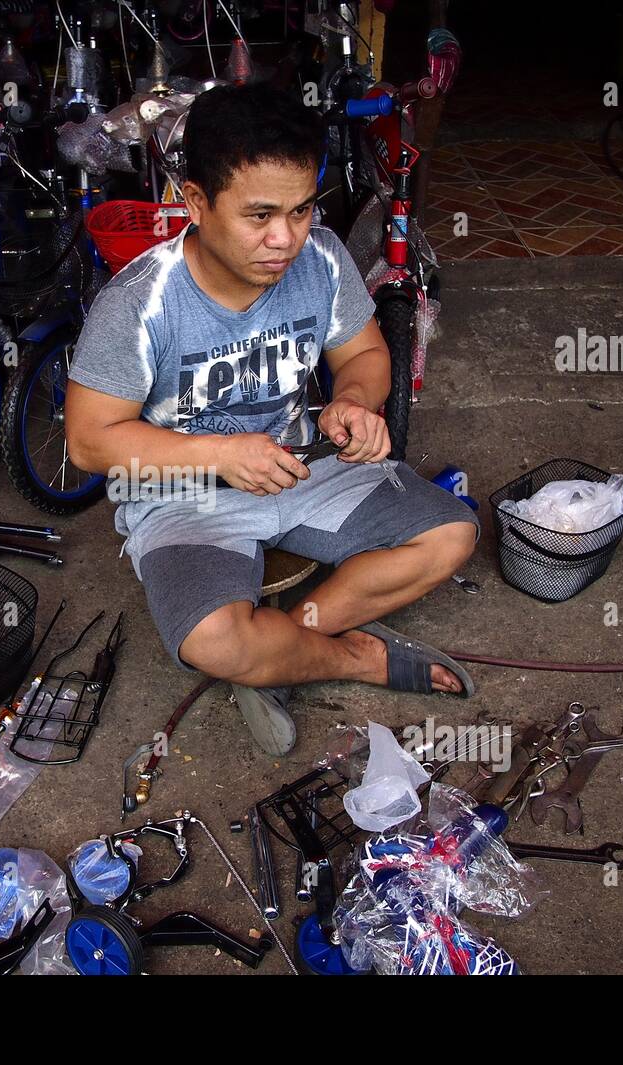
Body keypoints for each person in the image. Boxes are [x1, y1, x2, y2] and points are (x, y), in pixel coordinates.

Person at [65, 84, 478, 757]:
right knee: (214, 639)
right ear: (195, 202)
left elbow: (368, 355)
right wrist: (219, 456)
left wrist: (352, 401)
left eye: (301, 208)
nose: (284, 238)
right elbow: (88, 441)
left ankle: (286, 643)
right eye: (259, 215)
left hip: (304, 465)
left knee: (452, 535)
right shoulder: (141, 302)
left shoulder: (319, 259)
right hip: (185, 496)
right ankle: (351, 656)